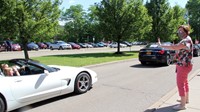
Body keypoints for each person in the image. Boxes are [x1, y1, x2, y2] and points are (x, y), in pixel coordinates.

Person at [159, 25, 193, 110]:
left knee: (180, 83)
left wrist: (161, 45)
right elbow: (180, 50)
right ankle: (185, 99)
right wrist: (176, 56)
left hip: (183, 65)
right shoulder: (186, 39)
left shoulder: (186, 40)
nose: (179, 33)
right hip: (184, 64)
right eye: (179, 31)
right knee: (184, 82)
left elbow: (174, 47)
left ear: (186, 31)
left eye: (181, 31)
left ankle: (182, 105)